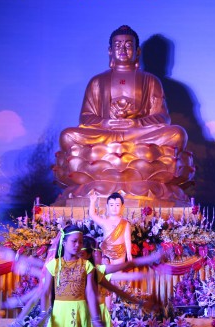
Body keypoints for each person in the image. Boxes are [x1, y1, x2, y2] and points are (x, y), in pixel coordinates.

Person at [53, 25, 194, 204]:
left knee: (177, 134)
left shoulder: (150, 80)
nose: (123, 49)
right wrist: (106, 123)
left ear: (137, 51)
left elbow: (162, 117)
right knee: (68, 136)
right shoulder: (97, 81)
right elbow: (86, 117)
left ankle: (131, 175)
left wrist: (136, 124)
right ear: (110, 51)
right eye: (118, 45)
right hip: (106, 134)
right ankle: (121, 173)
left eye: (128, 45)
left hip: (138, 135)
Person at [89, 191, 132, 265]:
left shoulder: (125, 223)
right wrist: (92, 201)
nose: (114, 208)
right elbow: (92, 215)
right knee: (107, 270)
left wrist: (129, 253)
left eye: (117, 205)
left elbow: (127, 239)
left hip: (120, 251)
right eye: (111, 205)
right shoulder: (104, 221)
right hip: (106, 251)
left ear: (122, 207)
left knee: (118, 270)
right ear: (107, 206)